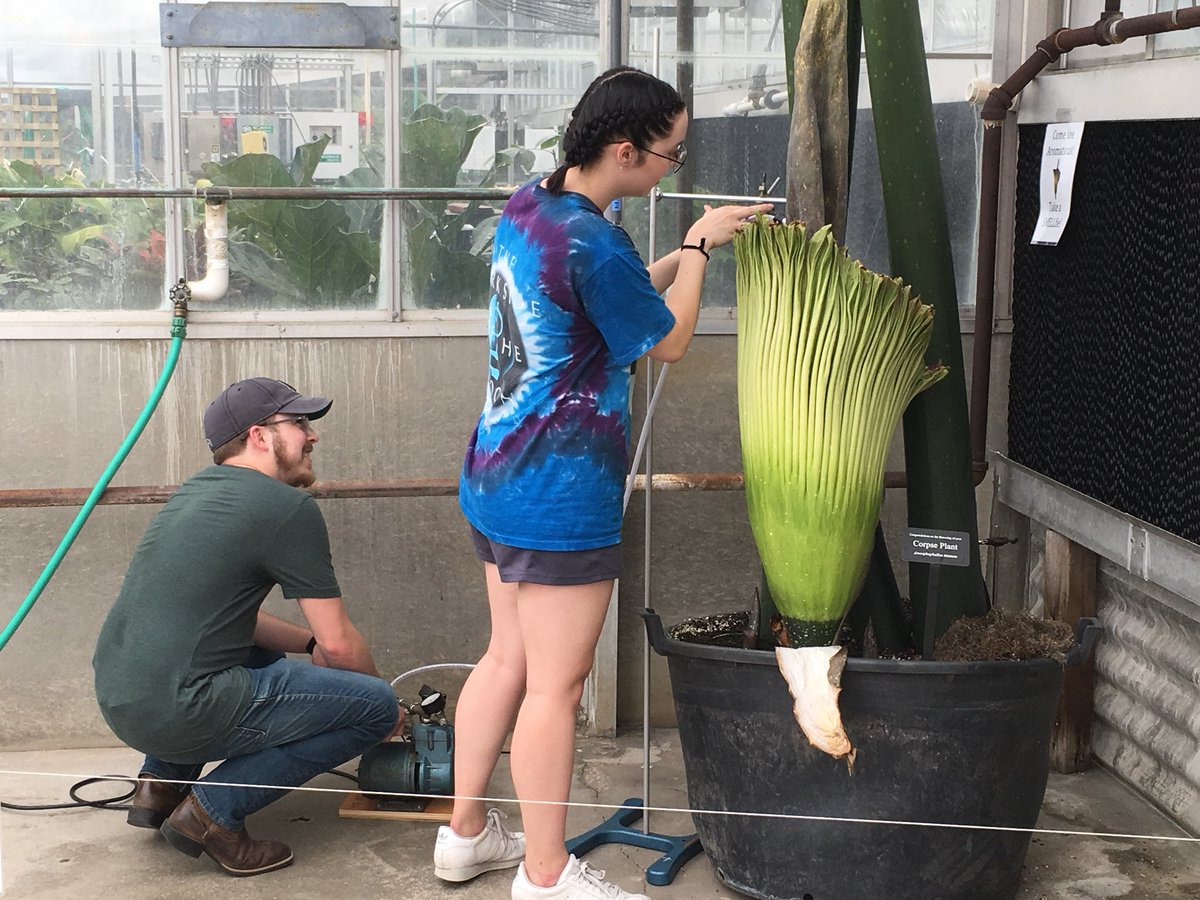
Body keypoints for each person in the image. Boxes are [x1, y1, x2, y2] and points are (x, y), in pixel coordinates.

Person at [435, 67, 773, 900]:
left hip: (496, 472)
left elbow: (609, 299)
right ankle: (545, 877)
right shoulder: (593, 240)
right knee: (556, 685)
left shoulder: (535, 204)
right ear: (625, 149)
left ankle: (464, 836)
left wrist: (673, 254)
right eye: (670, 152)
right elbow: (669, 341)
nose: (673, 165)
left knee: (506, 656)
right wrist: (698, 247)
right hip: (558, 492)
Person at [93, 377, 400, 877]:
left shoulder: (194, 494)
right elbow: (341, 643)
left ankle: (160, 785)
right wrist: (387, 713)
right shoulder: (286, 508)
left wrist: (305, 644)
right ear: (260, 436)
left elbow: (230, 617)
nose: (312, 435)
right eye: (299, 423)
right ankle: (213, 814)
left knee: (259, 656)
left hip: (121, 697)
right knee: (373, 706)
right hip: (181, 709)